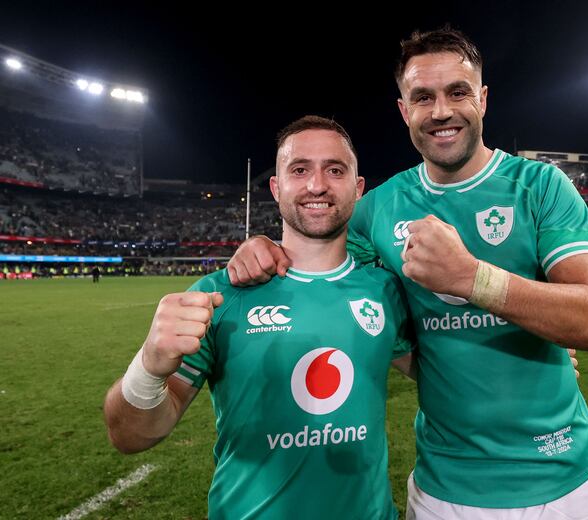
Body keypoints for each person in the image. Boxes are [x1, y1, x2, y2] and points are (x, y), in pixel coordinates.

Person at [226, 27, 588, 520]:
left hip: (564, 480)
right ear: (403, 110)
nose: (441, 111)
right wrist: (262, 245)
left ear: (483, 99)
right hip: (446, 491)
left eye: (458, 92)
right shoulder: (376, 209)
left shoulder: (539, 186)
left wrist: (472, 278)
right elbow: (313, 256)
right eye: (423, 97)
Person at [103, 117, 415, 519]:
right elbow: (129, 436)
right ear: (276, 187)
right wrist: (148, 367)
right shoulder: (220, 294)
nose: (317, 185)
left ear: (357, 189)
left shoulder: (384, 289)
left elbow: (443, 378)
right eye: (299, 169)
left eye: (334, 170)